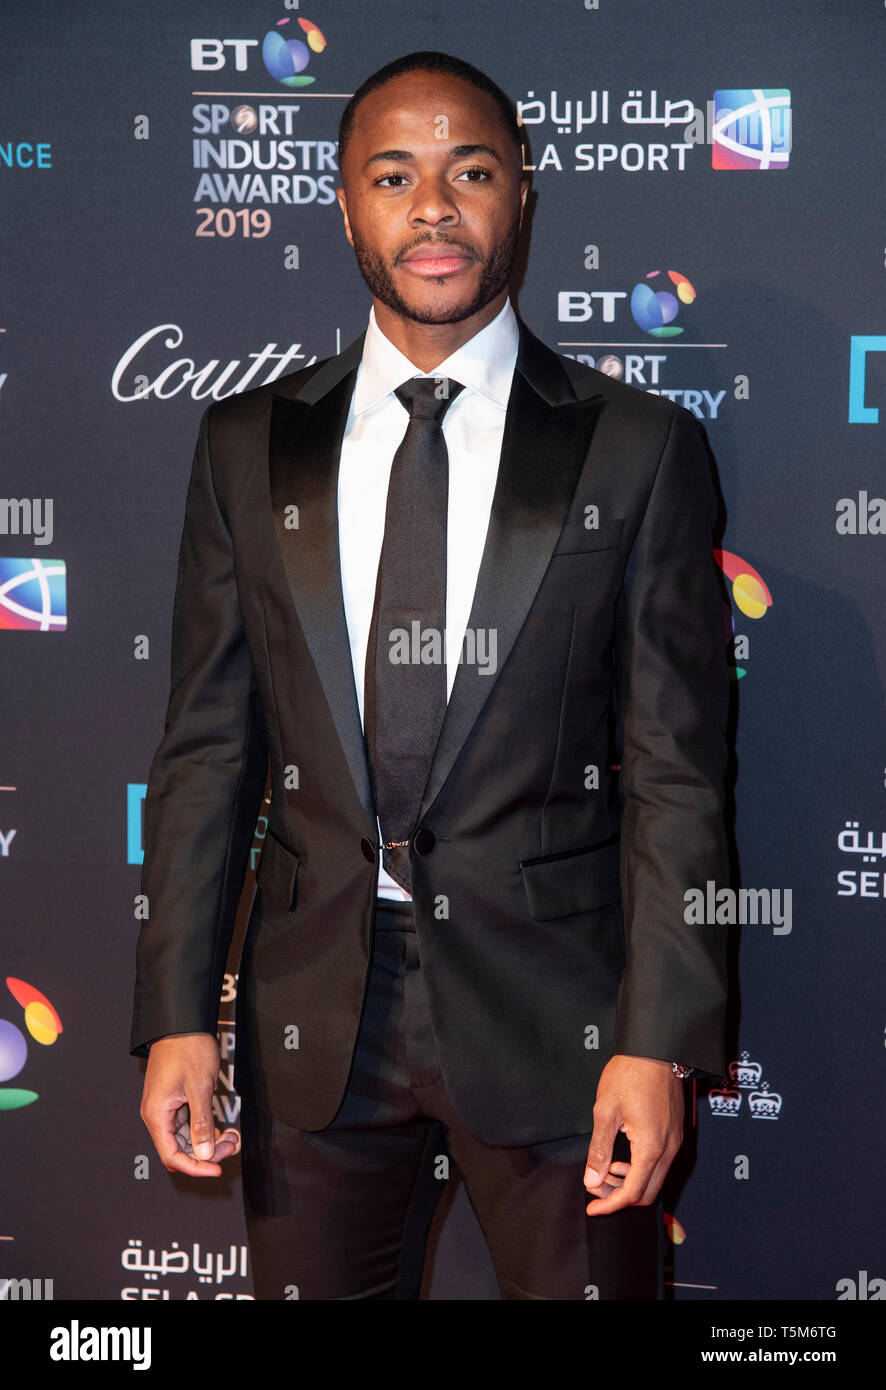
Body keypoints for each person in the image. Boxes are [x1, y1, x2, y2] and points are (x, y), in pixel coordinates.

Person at [131, 50, 731, 1301]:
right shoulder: (249, 443)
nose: (434, 208)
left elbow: (678, 770)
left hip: (562, 1018)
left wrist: (658, 1044)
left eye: (469, 170)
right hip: (312, 1021)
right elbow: (205, 751)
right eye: (392, 175)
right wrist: (177, 1014)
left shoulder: (637, 447)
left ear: (521, 191)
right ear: (344, 208)